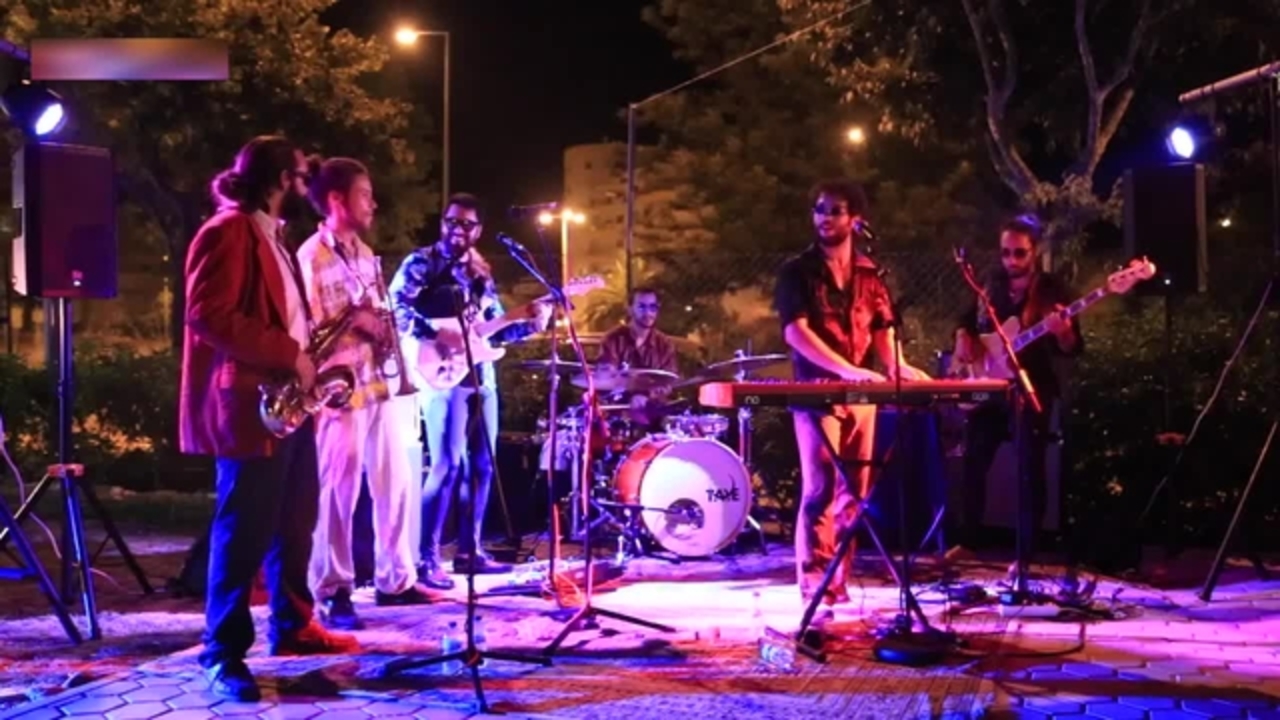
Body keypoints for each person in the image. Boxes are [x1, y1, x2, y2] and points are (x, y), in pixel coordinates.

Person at [179, 136, 357, 702]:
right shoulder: (228, 231)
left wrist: (309, 363)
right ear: (282, 179)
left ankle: (292, 625)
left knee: (295, 520)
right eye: (303, 177)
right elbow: (208, 314)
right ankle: (222, 652)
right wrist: (290, 354)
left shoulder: (272, 235)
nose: (309, 187)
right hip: (252, 406)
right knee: (244, 528)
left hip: (287, 404)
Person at [773, 178, 930, 608]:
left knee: (855, 494)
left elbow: (883, 328)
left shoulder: (870, 274)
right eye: (819, 209)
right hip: (816, 391)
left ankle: (837, 582)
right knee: (819, 489)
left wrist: (897, 366)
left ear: (855, 219)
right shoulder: (796, 271)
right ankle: (814, 586)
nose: (824, 217)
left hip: (861, 395)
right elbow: (796, 332)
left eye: (834, 210)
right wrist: (846, 370)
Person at [296, 157, 438, 631]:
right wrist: (355, 322)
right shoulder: (310, 257)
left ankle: (395, 579)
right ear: (336, 199)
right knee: (339, 492)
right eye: (364, 194)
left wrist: (379, 324)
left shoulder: (365, 253)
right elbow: (305, 328)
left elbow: (374, 312)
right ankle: (332, 589)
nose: (373, 203)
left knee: (396, 482)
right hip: (339, 388)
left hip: (378, 382)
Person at [389, 193, 553, 589]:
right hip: (440, 374)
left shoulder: (481, 273)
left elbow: (493, 328)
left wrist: (531, 324)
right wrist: (436, 333)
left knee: (481, 465)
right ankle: (427, 558)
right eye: (451, 221)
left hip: (481, 374)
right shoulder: (421, 263)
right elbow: (394, 308)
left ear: (478, 230)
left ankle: (469, 551)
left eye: (466, 224)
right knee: (446, 466)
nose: (457, 230)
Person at [950, 213, 1082, 558]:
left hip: (1031, 387)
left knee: (1029, 466)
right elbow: (966, 318)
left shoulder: (1051, 290)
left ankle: (1027, 550)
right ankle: (968, 540)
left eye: (1019, 253)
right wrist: (963, 335)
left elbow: (1072, 347)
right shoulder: (990, 284)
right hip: (990, 385)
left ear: (1034, 251)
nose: (1011, 260)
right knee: (973, 459)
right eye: (1006, 252)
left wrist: (1063, 331)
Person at [596, 287, 679, 428]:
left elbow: (668, 380)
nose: (648, 313)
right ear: (629, 309)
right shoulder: (612, 339)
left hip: (654, 415)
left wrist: (647, 395)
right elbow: (606, 378)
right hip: (619, 413)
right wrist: (631, 397)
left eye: (652, 307)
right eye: (642, 307)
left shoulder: (665, 344)